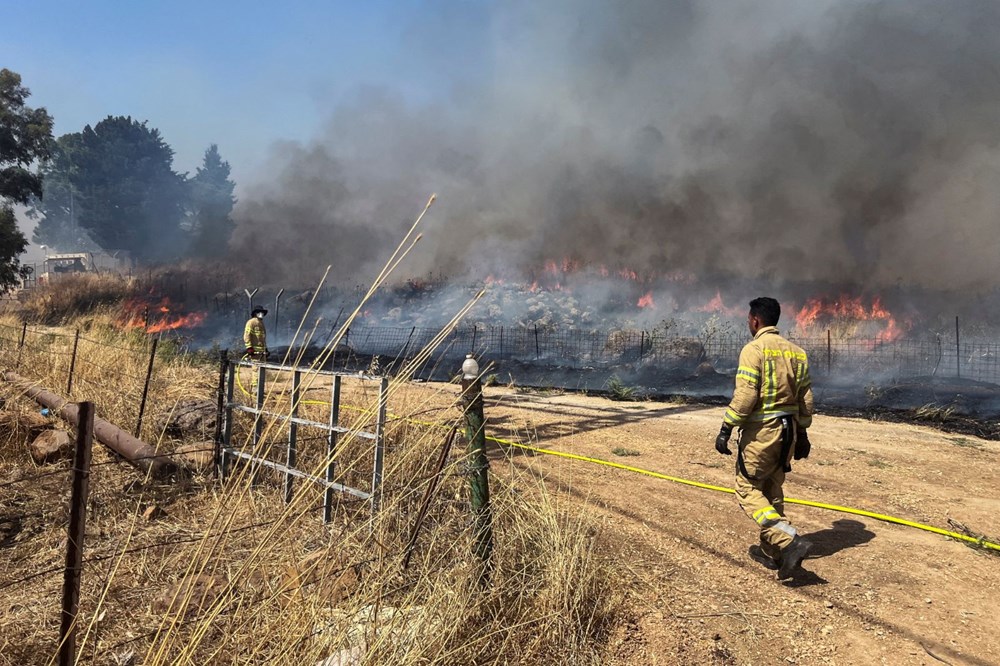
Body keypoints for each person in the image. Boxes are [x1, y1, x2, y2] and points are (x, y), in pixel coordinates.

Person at [714, 297, 815, 579]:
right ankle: (774, 552)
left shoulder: (754, 349)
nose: (748, 323)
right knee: (772, 487)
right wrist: (803, 433)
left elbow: (746, 395)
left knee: (747, 488)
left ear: (755, 320)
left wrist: (727, 427)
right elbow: (806, 398)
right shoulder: (797, 353)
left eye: (748, 319)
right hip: (789, 431)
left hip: (763, 433)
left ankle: (789, 541)